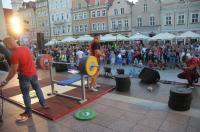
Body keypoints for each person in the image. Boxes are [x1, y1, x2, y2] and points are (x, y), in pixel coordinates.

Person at [0, 37, 48, 122]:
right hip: (33, 73)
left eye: (6, 45)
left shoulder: (14, 55)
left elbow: (13, 71)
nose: (6, 47)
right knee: (37, 88)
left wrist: (6, 80)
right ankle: (44, 103)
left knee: (26, 94)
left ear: (9, 44)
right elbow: (33, 58)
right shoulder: (25, 48)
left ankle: (28, 112)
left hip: (24, 76)